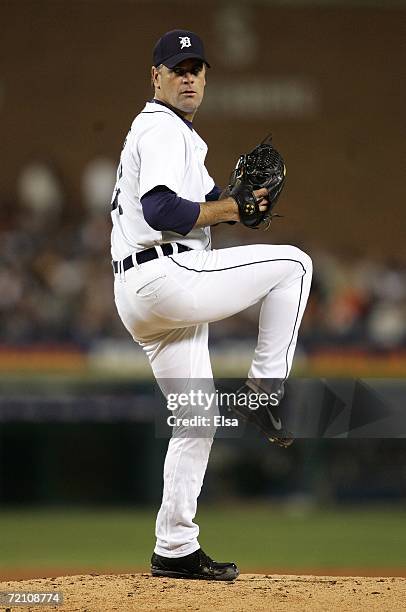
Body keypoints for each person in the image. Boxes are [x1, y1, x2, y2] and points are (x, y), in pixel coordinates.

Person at [110, 29, 312, 581]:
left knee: (196, 419)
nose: (188, 76)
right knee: (294, 267)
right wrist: (229, 207)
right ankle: (266, 390)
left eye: (195, 68)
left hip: (144, 294)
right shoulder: (159, 126)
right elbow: (161, 211)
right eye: (177, 68)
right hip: (165, 275)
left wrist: (239, 204)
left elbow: (200, 209)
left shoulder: (174, 138)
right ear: (156, 77)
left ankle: (173, 547)